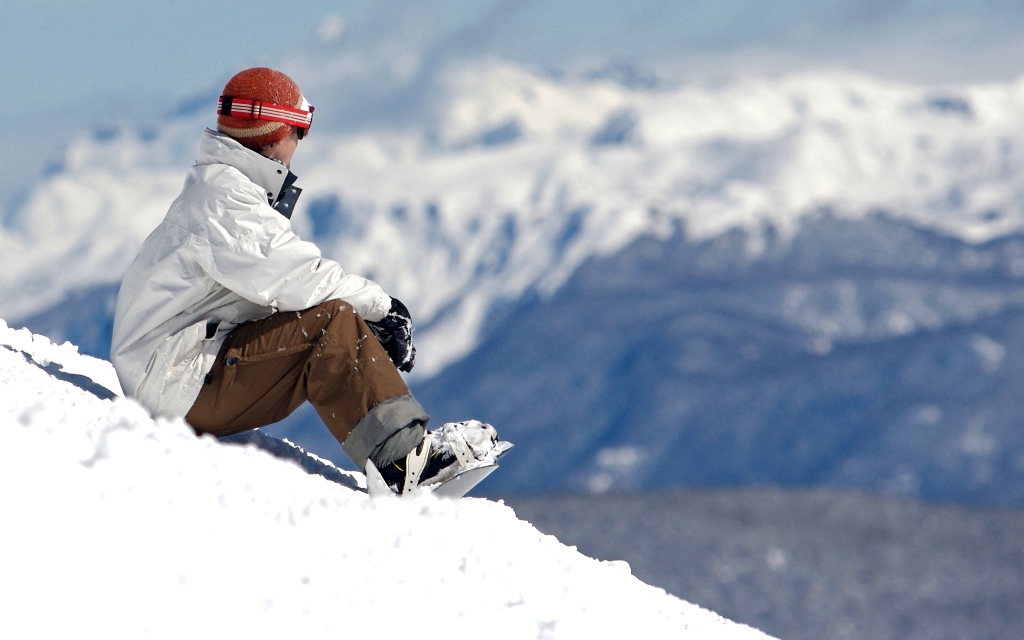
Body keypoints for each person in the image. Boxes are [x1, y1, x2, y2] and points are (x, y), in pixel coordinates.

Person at [110, 67, 509, 495]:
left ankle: (402, 454)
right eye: (299, 131)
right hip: (177, 383)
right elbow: (300, 277)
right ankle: (404, 462)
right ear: (272, 133)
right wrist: (384, 307)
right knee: (330, 323)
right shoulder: (226, 202)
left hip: (179, 371)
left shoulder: (220, 190)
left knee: (332, 319)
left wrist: (365, 324)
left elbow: (267, 289)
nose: (299, 144)